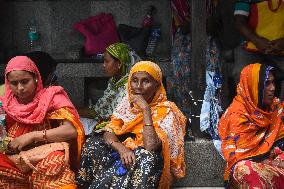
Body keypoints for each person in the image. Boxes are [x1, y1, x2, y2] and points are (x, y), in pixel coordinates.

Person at [76, 61, 187, 189]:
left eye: (146, 81)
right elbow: (109, 131)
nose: (139, 86)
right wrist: (122, 149)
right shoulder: (126, 104)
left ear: (157, 84)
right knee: (93, 143)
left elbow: (150, 146)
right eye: (134, 80)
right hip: (124, 153)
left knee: (145, 156)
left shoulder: (167, 110)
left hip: (146, 160)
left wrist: (146, 109)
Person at [0, 56, 85, 188]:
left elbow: (71, 131)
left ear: (35, 78)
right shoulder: (5, 103)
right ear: (7, 82)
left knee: (56, 160)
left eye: (25, 81)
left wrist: (31, 136)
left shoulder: (52, 97)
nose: (20, 88)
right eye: (14, 83)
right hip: (14, 157)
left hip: (44, 155)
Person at [218, 63, 284, 188]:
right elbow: (240, 157)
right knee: (243, 170)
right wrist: (275, 163)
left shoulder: (276, 108)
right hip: (253, 166)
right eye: (267, 83)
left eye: (273, 83)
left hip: (274, 161)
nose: (273, 88)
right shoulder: (237, 115)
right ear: (252, 87)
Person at [79, 42, 141, 135]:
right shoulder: (114, 82)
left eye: (107, 61)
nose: (104, 65)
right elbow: (99, 111)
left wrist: (72, 112)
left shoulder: (130, 88)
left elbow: (119, 121)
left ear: (119, 63)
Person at [233, 0, 284, 100]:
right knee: (242, 72)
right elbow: (239, 21)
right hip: (253, 46)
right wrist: (257, 40)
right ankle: (250, 110)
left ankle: (278, 112)